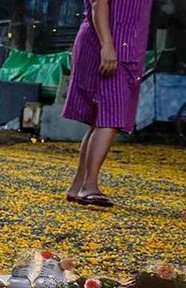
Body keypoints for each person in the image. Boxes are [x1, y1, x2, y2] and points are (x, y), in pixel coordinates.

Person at [63, 0, 153, 207]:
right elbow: (98, 4)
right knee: (111, 116)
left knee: (101, 119)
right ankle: (89, 186)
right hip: (107, 46)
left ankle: (78, 186)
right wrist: (107, 45)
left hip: (126, 47)